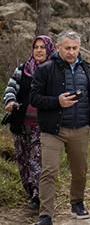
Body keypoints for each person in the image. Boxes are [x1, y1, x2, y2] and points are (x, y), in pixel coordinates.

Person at [30, 30, 90, 225]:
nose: (71, 52)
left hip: (80, 128)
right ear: (58, 47)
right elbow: (34, 98)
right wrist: (57, 101)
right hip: (53, 130)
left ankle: (77, 203)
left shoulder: (85, 67)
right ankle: (45, 215)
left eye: (75, 48)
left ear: (79, 48)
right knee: (49, 171)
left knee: (80, 170)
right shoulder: (45, 69)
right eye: (67, 48)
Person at [4, 36, 55, 211]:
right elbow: (11, 88)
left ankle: (37, 195)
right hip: (19, 123)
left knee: (36, 160)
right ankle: (30, 191)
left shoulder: (52, 70)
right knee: (23, 161)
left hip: (41, 126)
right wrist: (10, 101)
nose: (39, 50)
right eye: (36, 47)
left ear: (49, 49)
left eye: (42, 47)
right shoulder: (22, 69)